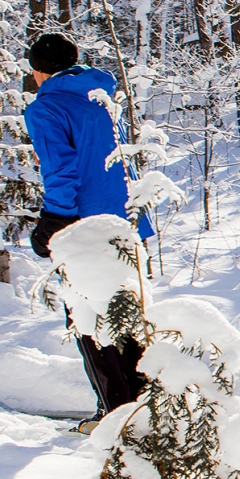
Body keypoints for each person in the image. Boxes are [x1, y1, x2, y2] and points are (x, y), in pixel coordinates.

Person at [21, 33, 151, 434]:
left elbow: (60, 169)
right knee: (129, 318)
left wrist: (53, 222)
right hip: (128, 221)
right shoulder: (100, 96)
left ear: (40, 71)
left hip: (85, 228)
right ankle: (144, 408)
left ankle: (115, 418)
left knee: (89, 317)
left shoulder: (48, 106)